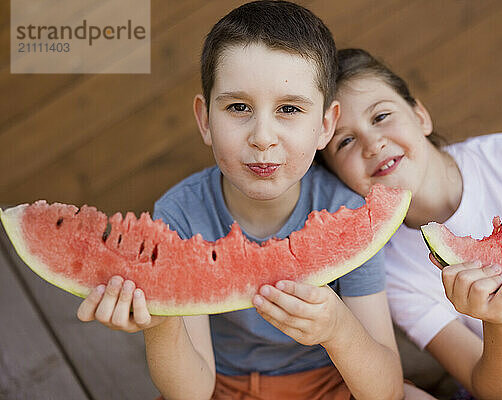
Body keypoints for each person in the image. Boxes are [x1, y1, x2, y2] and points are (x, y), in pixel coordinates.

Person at [75, 3, 435, 399]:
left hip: (335, 380)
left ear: (325, 126)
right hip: (220, 388)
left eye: (289, 109)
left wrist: (338, 329)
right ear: (205, 120)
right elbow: (192, 392)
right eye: (239, 107)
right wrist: (161, 322)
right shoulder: (179, 215)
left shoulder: (349, 213)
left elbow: (384, 392)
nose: (262, 137)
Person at [318, 48, 502, 400]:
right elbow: (496, 392)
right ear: (338, 179)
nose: (372, 143)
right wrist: (501, 322)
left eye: (381, 116)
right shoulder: (391, 270)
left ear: (420, 115)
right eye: (344, 141)